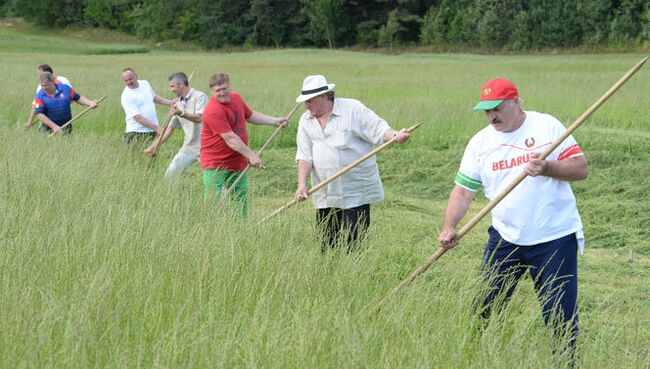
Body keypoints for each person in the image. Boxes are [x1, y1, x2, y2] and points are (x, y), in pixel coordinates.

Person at [437, 78, 588, 360]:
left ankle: (566, 362)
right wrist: (449, 227)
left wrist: (548, 168)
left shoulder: (547, 127)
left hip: (553, 238)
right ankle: (469, 357)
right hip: (505, 237)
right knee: (483, 305)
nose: (491, 115)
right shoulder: (480, 143)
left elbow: (580, 168)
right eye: (486, 110)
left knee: (560, 315)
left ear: (515, 102)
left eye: (496, 107)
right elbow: (463, 191)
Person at [293, 75, 410, 251]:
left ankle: (353, 273)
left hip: (355, 191)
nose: (306, 105)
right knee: (326, 243)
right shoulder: (305, 120)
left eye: (309, 100)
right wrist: (301, 184)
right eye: (305, 101)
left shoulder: (353, 109)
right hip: (325, 191)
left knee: (354, 243)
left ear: (325, 96)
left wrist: (395, 135)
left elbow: (378, 129)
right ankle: (329, 272)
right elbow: (304, 155)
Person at [200, 73, 287, 216]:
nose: (222, 93)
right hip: (215, 163)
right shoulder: (212, 110)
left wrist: (274, 121)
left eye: (224, 88)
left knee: (240, 198)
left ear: (230, 86)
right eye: (217, 91)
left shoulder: (236, 98)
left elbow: (250, 115)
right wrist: (252, 155)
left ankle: (240, 228)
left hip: (237, 160)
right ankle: (211, 229)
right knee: (212, 200)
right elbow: (230, 138)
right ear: (212, 92)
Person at [143, 72, 209, 177]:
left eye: (172, 86)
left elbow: (201, 118)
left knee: (214, 180)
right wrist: (152, 148)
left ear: (181, 84)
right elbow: (169, 130)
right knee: (170, 176)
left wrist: (181, 113)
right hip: (189, 147)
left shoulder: (200, 97)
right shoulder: (178, 104)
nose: (171, 90)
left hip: (207, 147)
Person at [31, 72, 98, 134]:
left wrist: (90, 103)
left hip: (66, 126)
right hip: (48, 128)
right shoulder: (39, 96)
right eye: (42, 85)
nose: (44, 88)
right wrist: (54, 127)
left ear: (53, 82)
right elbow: (39, 114)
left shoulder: (65, 88)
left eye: (46, 85)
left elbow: (78, 98)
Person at [120, 68, 173, 144]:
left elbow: (154, 97)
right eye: (126, 80)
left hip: (152, 131)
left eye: (130, 79)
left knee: (154, 154)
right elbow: (137, 117)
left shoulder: (145, 83)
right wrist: (156, 128)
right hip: (136, 133)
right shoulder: (126, 96)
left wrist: (170, 103)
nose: (129, 82)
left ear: (136, 77)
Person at [25, 64, 72, 129]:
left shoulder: (63, 81)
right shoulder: (41, 87)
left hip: (60, 118)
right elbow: (36, 105)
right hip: (46, 117)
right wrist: (30, 121)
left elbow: (71, 97)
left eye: (41, 74)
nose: (39, 77)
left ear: (48, 74)